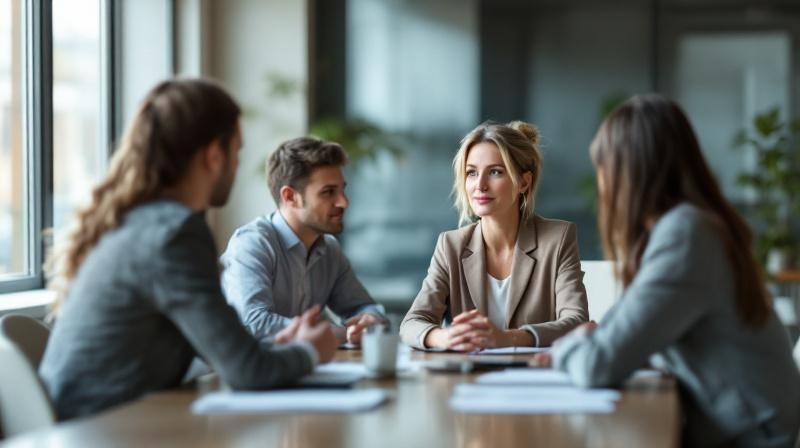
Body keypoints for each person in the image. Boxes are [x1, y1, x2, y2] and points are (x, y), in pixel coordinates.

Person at [39, 78, 337, 421]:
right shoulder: (175, 234)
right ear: (213, 156)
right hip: (104, 431)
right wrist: (310, 351)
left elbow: (223, 349)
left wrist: (279, 346)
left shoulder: (140, 223)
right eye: (236, 152)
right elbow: (247, 373)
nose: (238, 166)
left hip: (95, 426)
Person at [545, 94, 800, 446]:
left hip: (752, 435)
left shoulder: (686, 235)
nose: (603, 186)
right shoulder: (690, 226)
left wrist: (565, 349)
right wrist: (591, 341)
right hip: (750, 423)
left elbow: (598, 365)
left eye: (604, 169)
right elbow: (622, 330)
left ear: (629, 171)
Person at [400, 121, 589, 351]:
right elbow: (411, 323)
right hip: (467, 378)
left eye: (495, 172)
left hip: (532, 377)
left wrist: (507, 338)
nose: (480, 185)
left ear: (523, 182)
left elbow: (576, 322)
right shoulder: (450, 245)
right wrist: (444, 337)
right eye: (471, 173)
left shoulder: (557, 239)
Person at [220, 137, 386, 346]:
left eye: (342, 190)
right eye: (328, 192)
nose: (344, 202)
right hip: (218, 375)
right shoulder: (252, 244)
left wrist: (370, 321)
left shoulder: (330, 249)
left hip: (295, 369)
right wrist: (334, 333)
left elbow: (365, 308)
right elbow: (253, 323)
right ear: (290, 197)